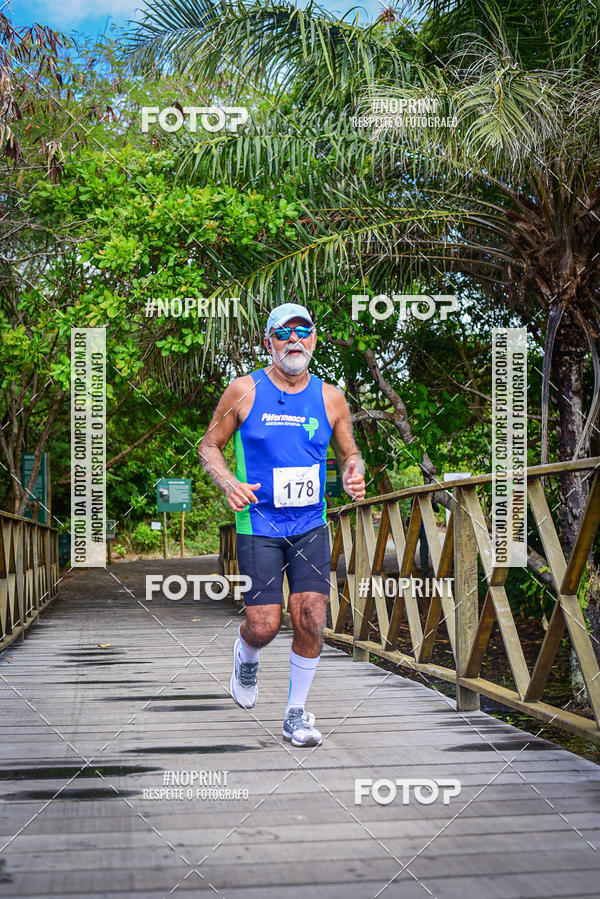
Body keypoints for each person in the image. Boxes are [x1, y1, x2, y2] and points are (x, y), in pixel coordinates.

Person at [199, 302, 366, 747]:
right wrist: (228, 481)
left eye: (304, 330)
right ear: (268, 341)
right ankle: (247, 653)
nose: (295, 339)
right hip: (258, 523)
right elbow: (209, 445)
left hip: (310, 523)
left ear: (314, 338)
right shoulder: (243, 390)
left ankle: (296, 713)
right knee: (265, 625)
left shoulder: (331, 397)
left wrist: (353, 470)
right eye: (283, 332)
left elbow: (349, 452)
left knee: (311, 619)